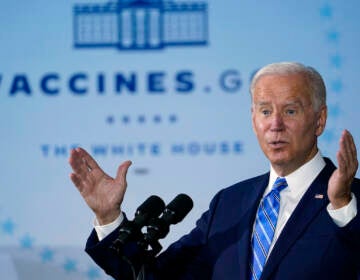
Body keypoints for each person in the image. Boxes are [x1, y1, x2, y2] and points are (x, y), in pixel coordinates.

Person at [69, 62, 360, 280]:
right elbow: (154, 275)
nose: (275, 125)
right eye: (265, 111)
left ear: (319, 120)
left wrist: (343, 208)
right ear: (252, 118)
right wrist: (108, 218)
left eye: (291, 111)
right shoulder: (230, 203)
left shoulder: (351, 202)